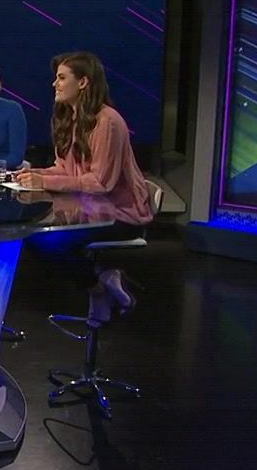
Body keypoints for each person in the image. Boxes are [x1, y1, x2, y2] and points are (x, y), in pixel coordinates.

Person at [13, 51, 153, 323]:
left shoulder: (107, 122)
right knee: (32, 236)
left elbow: (100, 182)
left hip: (120, 215)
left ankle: (99, 286)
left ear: (83, 82)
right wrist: (34, 174)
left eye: (61, 78)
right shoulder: (69, 118)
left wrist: (43, 181)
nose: (54, 84)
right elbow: (65, 170)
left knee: (45, 242)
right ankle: (103, 280)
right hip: (87, 210)